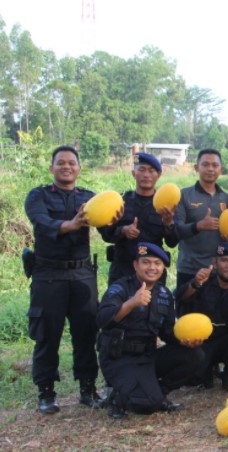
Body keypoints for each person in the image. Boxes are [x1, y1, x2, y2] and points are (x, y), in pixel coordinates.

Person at [24, 145, 120, 414]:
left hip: (81, 274)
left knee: (86, 332)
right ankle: (46, 393)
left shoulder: (90, 198)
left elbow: (108, 234)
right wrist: (71, 224)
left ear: (79, 168)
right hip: (48, 274)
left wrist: (115, 223)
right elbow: (42, 223)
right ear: (51, 167)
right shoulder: (38, 196)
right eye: (60, 163)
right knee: (47, 334)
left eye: (71, 163)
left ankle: (88, 388)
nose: (66, 166)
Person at [97, 243, 206, 419]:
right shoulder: (120, 288)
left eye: (157, 263)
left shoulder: (164, 294)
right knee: (145, 405)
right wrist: (131, 303)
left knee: (196, 355)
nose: (152, 267)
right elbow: (102, 319)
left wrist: (184, 341)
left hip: (147, 356)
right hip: (119, 358)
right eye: (146, 262)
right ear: (135, 265)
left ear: (163, 267)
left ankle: (159, 393)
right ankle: (117, 397)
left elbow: (167, 332)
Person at [174, 242, 228, 391]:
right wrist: (195, 283)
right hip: (203, 341)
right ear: (215, 263)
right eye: (224, 260)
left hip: (227, 340)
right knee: (194, 378)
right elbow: (180, 297)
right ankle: (207, 370)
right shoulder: (203, 280)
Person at [100, 153, 178, 285]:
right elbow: (106, 235)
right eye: (141, 170)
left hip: (152, 272)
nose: (146, 175)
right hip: (122, 271)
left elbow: (172, 242)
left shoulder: (167, 203)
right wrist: (123, 230)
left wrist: (168, 223)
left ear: (158, 175)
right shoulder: (120, 201)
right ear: (133, 173)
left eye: (151, 171)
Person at [174, 149, 228, 312]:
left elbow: (227, 237)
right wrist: (198, 226)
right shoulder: (184, 195)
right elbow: (177, 230)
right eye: (205, 164)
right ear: (196, 168)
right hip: (189, 268)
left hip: (216, 271)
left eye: (215, 165)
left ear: (221, 170)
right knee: (186, 314)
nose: (210, 169)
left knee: (213, 316)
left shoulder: (227, 200)